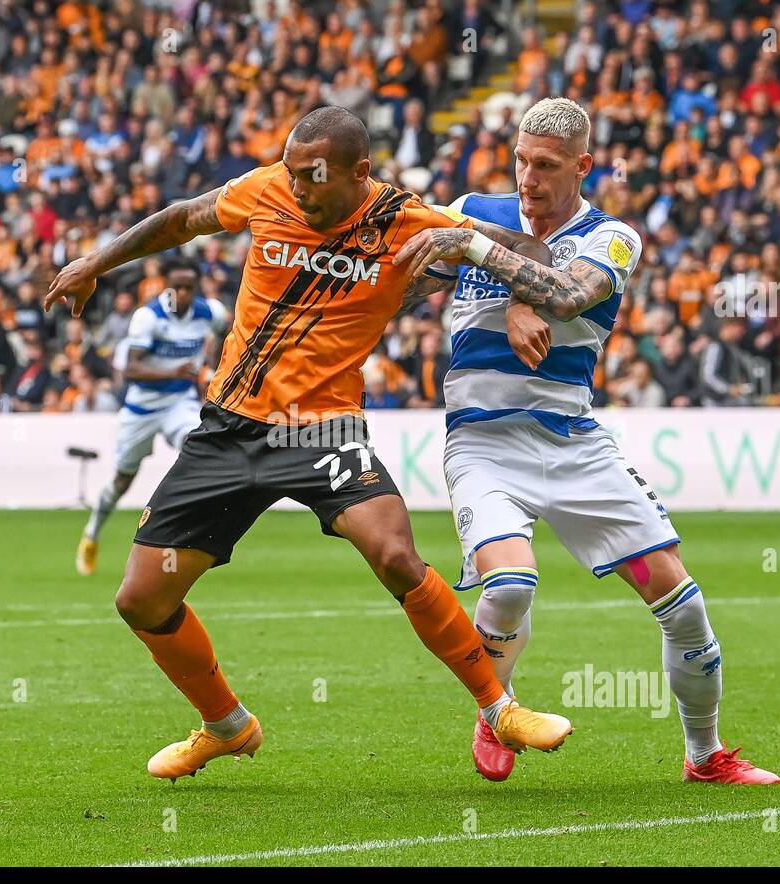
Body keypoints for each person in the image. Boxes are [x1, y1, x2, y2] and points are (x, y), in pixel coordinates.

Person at [44, 107, 572, 780]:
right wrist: (96, 260)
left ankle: (499, 708)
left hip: (325, 428)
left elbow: (533, 251)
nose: (297, 191)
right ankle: (227, 726)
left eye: (314, 179)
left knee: (395, 555)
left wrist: (519, 301)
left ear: (361, 173)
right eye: (292, 174)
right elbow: (181, 217)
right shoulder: (267, 188)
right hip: (230, 427)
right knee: (141, 599)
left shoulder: (410, 221)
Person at [393, 98, 780, 785]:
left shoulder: (613, 237)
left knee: (683, 603)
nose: (527, 179)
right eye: (520, 161)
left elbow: (568, 296)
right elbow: (402, 287)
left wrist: (490, 266)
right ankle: (498, 711)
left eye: (545, 166)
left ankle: (705, 755)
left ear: (584, 166)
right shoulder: (468, 210)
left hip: (574, 444)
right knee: (510, 586)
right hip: (483, 443)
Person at [76, 257, 228, 575]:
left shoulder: (209, 312)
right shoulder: (148, 317)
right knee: (121, 481)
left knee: (196, 444)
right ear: (166, 285)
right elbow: (131, 369)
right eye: (179, 287)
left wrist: (211, 365)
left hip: (179, 405)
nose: (185, 294)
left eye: (190, 287)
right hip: (141, 409)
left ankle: (188, 530)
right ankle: (91, 534)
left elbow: (229, 332)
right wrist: (174, 370)